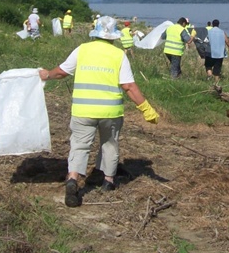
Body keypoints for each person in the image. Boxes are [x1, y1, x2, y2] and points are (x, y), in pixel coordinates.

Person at [38, 16, 160, 207]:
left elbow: (62, 72)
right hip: (110, 112)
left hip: (83, 110)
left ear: (95, 32)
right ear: (114, 36)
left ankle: (72, 179)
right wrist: (146, 108)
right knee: (110, 144)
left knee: (79, 145)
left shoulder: (82, 49)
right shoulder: (119, 55)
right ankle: (108, 181)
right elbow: (128, 86)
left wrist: (47, 75)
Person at [206, 19, 229, 88]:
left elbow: (205, 40)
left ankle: (210, 76)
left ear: (212, 24)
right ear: (218, 24)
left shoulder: (209, 31)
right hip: (219, 54)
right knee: (217, 69)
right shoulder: (222, 32)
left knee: (208, 66)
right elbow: (227, 41)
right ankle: (216, 83)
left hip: (210, 52)